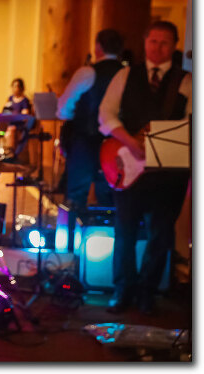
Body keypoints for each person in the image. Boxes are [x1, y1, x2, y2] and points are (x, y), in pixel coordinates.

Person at [99, 21, 191, 315]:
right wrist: (130, 141)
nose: (158, 47)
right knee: (124, 231)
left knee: (160, 234)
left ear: (174, 46)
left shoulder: (187, 81)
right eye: (153, 41)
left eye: (164, 43)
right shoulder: (126, 75)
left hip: (169, 172)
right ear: (144, 42)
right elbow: (106, 115)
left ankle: (147, 292)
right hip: (128, 165)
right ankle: (122, 289)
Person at [57, 29, 124, 251]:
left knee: (76, 196)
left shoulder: (87, 73)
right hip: (115, 145)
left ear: (98, 47)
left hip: (85, 142)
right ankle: (109, 251)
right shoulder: (127, 74)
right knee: (110, 198)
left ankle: (70, 250)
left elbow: (63, 109)